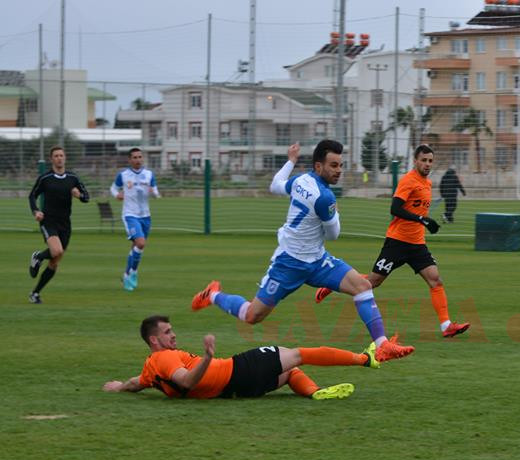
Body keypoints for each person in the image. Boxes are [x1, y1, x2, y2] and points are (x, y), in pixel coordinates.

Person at [190, 140, 414, 363]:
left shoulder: (300, 180)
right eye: (333, 165)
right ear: (318, 166)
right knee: (252, 316)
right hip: (288, 263)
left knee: (362, 287)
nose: (339, 171)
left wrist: (290, 161)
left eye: (340, 165)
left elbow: (275, 185)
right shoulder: (325, 197)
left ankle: (382, 345)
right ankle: (213, 295)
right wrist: (334, 212)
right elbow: (333, 234)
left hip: (318, 260)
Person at [314, 144, 471, 338]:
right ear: (415, 161)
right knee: (373, 282)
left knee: (435, 279)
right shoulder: (408, 180)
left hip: (417, 244)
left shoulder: (427, 184)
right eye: (423, 160)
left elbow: (417, 210)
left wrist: (424, 222)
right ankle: (333, 284)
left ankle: (446, 325)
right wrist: (422, 220)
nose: (427, 164)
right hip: (397, 242)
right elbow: (395, 209)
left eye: (430, 161)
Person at [103, 315, 381, 399]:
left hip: (235, 390)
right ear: (154, 341)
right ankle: (365, 359)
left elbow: (137, 382)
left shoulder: (151, 368)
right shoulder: (164, 358)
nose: (173, 336)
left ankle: (315, 392)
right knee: (299, 354)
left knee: (288, 373)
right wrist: (208, 356)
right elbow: (186, 381)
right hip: (237, 370)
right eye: (167, 332)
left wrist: (118, 387)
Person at [27, 146, 90, 303]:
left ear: (65, 157)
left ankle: (35, 293)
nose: (59, 158)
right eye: (56, 156)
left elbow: (87, 197)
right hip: (48, 221)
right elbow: (32, 195)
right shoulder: (45, 178)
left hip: (65, 224)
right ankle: (38, 256)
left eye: (61, 155)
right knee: (56, 250)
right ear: (51, 159)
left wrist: (79, 195)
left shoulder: (73, 178)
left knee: (55, 261)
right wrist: (36, 211)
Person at [111, 147, 160, 291]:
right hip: (130, 215)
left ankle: (127, 274)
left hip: (146, 216)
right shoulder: (123, 175)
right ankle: (133, 272)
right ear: (129, 160)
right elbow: (113, 188)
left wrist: (153, 192)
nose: (138, 160)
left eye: (140, 157)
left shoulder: (149, 174)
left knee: (136, 247)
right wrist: (117, 195)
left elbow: (156, 192)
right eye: (135, 157)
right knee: (141, 243)